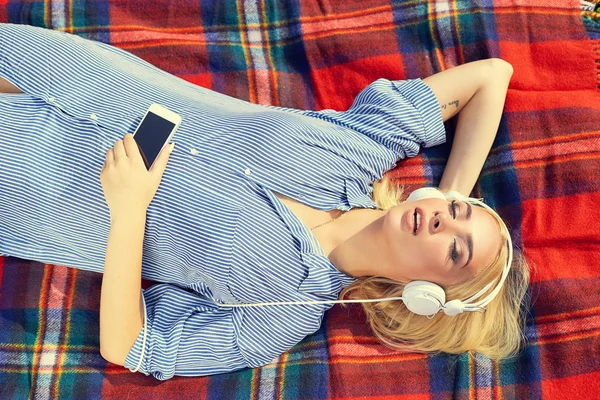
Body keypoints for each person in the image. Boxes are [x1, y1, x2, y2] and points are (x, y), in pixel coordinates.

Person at [0, 23, 530, 381]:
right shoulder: (365, 149)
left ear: (425, 296)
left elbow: (131, 346)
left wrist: (130, 210)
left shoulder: (280, 311)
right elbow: (492, 77)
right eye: (457, 214)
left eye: (456, 251)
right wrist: (458, 189)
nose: (443, 221)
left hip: (24, 177)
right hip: (54, 69)